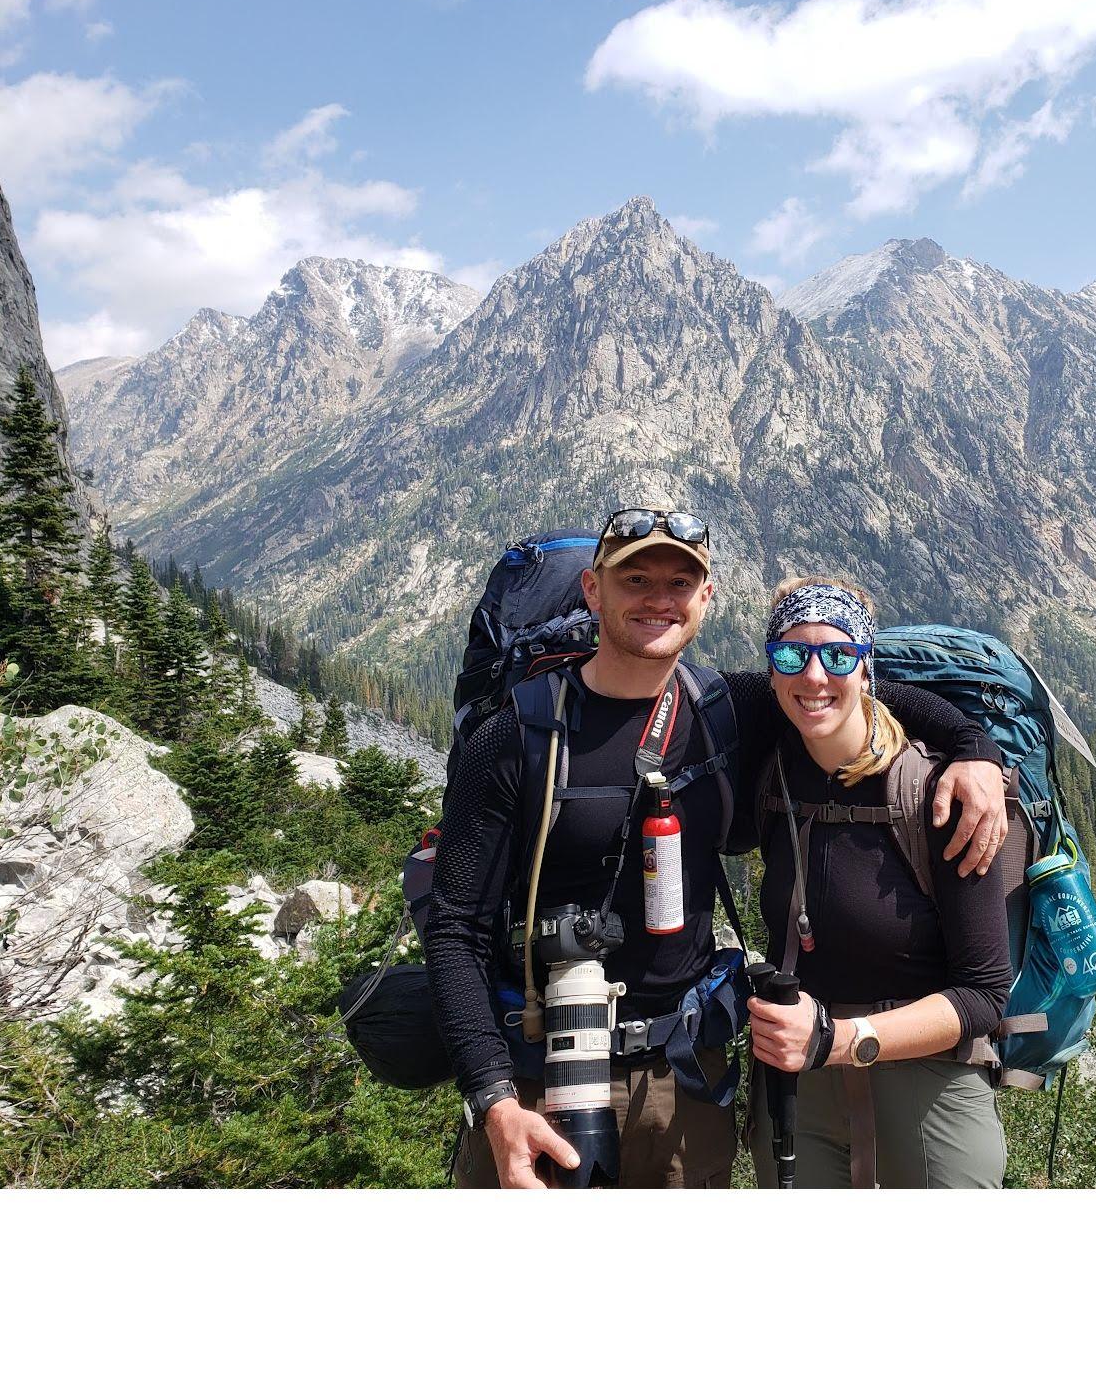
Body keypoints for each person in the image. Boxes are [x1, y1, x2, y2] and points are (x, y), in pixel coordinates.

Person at [424, 507, 1010, 1189]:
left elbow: (849, 690)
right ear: (592, 589)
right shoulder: (517, 735)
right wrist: (493, 1101)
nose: (658, 599)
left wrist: (974, 749)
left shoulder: (721, 705)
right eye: (635, 578)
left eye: (679, 582)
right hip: (540, 1080)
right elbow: (455, 927)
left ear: (705, 598)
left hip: (684, 1083)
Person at [747, 576, 1012, 1189]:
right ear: (771, 670)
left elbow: (984, 994)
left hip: (929, 1087)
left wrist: (841, 1040)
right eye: (791, 654)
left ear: (867, 667)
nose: (814, 676)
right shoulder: (771, 772)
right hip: (796, 1087)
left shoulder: (937, 794)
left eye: (839, 655)